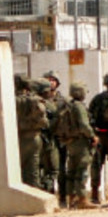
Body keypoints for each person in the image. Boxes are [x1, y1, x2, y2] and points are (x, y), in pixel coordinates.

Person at [59, 81, 98, 209]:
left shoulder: (68, 105)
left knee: (71, 171)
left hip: (71, 142)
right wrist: (92, 136)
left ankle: (72, 199)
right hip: (81, 142)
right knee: (81, 171)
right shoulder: (79, 107)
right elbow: (84, 125)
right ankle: (82, 199)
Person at [87, 72, 108, 204]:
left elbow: (90, 117)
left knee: (96, 166)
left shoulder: (97, 99)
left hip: (100, 135)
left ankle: (95, 196)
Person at [14, 74, 48, 190]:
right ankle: (35, 194)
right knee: (33, 170)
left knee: (16, 169)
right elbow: (44, 121)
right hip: (34, 137)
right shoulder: (35, 100)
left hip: (17, 138)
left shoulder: (10, 99)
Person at [42, 70, 67, 201]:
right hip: (46, 137)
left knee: (61, 168)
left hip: (60, 138)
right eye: (48, 79)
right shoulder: (40, 100)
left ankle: (63, 196)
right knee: (47, 169)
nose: (50, 82)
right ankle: (49, 195)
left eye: (53, 80)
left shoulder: (63, 100)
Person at [37, 74, 61, 196]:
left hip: (41, 139)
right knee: (52, 169)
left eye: (53, 80)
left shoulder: (34, 101)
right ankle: (46, 192)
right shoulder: (45, 104)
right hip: (46, 139)